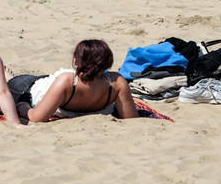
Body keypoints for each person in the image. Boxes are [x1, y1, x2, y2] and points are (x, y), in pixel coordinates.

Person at [8, 40, 139, 123]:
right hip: (52, 84)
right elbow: (131, 119)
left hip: (29, 88)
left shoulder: (67, 81)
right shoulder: (116, 82)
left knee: (8, 81)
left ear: (76, 61)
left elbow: (36, 117)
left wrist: (22, 104)